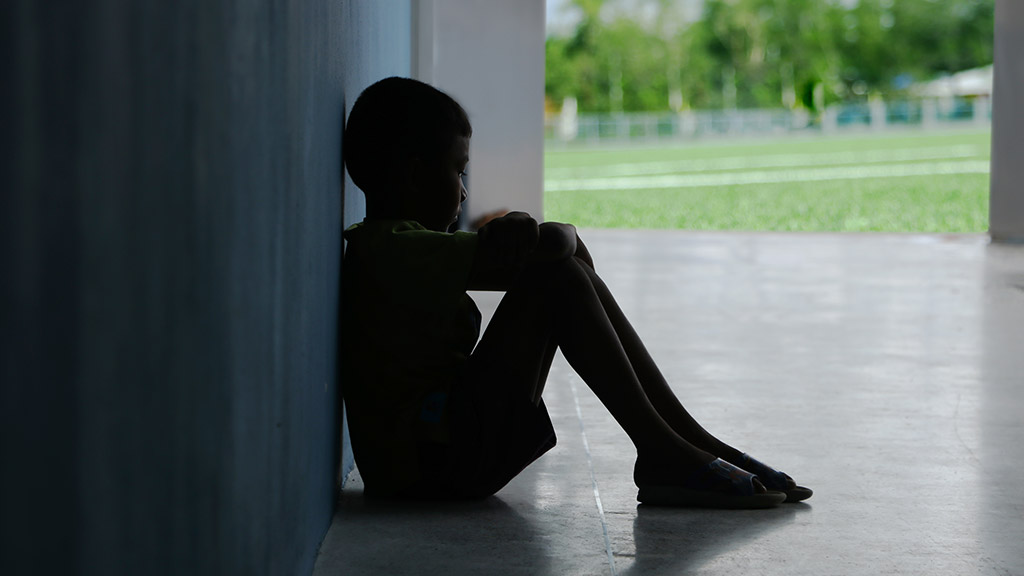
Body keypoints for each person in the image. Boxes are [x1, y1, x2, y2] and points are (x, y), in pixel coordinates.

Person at [340, 77, 811, 508]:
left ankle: (690, 442)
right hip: (430, 465)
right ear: (414, 174)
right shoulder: (390, 247)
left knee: (560, 273)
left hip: (444, 449)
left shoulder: (401, 242)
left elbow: (556, 249)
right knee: (556, 276)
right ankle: (665, 448)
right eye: (457, 172)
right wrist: (549, 235)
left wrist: (556, 244)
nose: (463, 193)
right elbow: (554, 247)